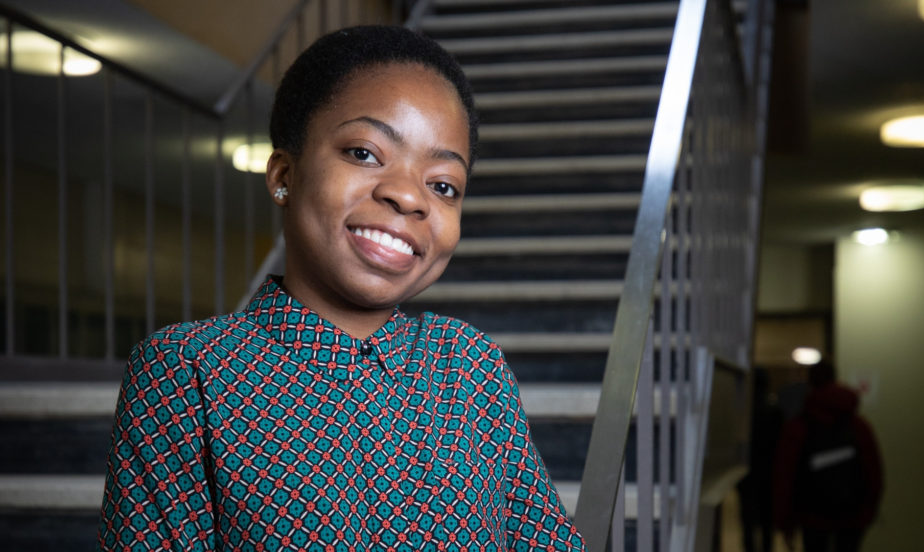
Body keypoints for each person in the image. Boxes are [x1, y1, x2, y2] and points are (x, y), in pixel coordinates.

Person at [99, 26, 587, 551]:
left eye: (443, 185)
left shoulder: (469, 364)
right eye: (364, 153)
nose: (407, 195)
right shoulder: (187, 369)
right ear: (285, 173)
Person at [772, 361, 883, 552]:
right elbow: (874, 472)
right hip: (852, 516)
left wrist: (786, 523)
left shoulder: (799, 427)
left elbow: (785, 476)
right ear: (835, 379)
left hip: (812, 517)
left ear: (810, 383)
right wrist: (868, 512)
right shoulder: (859, 427)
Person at [737, 368, 783, 552]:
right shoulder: (773, 411)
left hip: (748, 473)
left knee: (748, 522)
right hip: (768, 473)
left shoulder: (743, 412)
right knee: (766, 522)